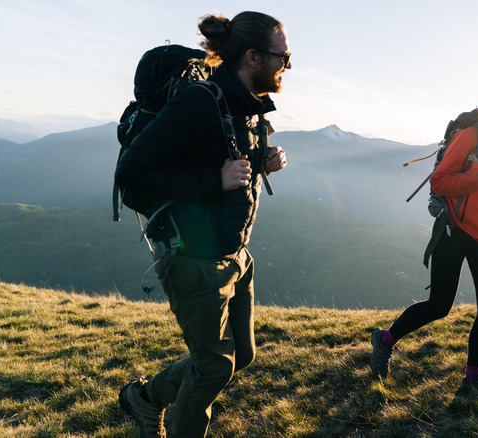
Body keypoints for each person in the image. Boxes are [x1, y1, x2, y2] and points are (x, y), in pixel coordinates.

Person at [115, 11, 290, 438]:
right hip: (195, 258)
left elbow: (225, 159)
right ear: (252, 57)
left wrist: (264, 161)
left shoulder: (244, 105)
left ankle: (145, 398)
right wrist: (214, 179)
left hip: (235, 253)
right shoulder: (199, 102)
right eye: (282, 57)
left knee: (241, 355)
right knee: (213, 366)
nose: (286, 65)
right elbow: (133, 173)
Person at [370, 79, 478, 399]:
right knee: (439, 306)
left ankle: (473, 380)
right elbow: (440, 181)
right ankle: (383, 341)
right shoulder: (472, 135)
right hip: (454, 232)